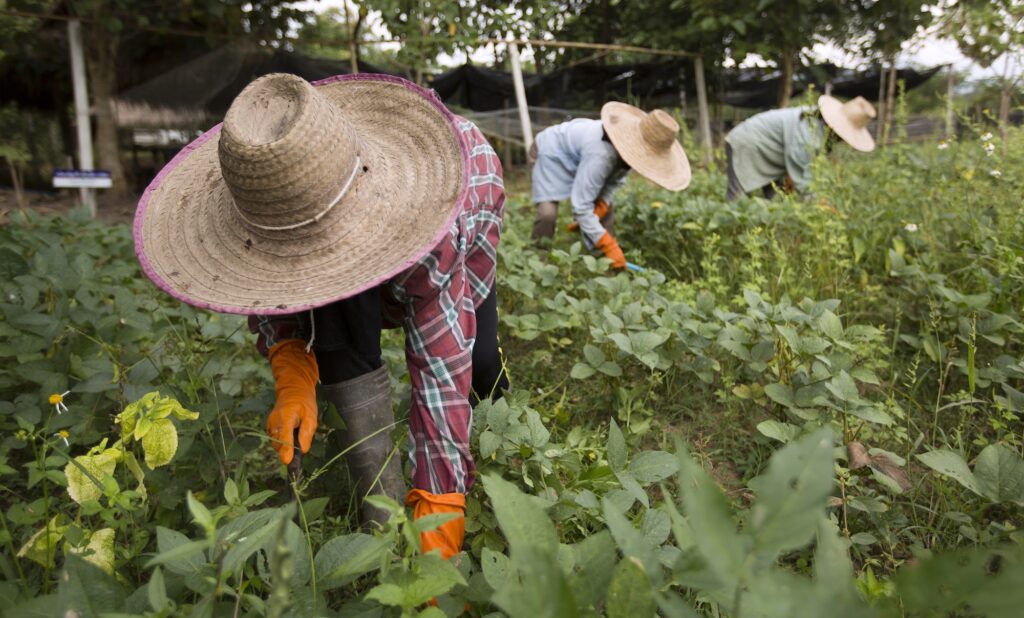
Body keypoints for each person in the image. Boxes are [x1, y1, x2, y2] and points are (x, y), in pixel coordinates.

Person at [134, 72, 507, 561]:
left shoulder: (436, 217)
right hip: (349, 218)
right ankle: (383, 524)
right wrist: (291, 365)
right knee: (336, 336)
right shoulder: (273, 190)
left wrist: (440, 508)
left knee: (476, 362)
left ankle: (501, 430)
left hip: (461, 221)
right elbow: (267, 285)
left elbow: (439, 372)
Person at [530, 103, 690, 267]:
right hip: (550, 151)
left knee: (606, 208)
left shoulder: (625, 151)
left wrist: (601, 205)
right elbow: (581, 206)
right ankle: (538, 258)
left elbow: (613, 181)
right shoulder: (601, 154)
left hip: (581, 154)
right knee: (547, 213)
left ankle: (602, 262)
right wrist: (608, 244)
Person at [724, 95, 876, 201]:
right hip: (746, 143)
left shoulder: (817, 124)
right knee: (736, 196)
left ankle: (764, 226)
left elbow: (800, 169)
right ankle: (729, 228)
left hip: (768, 149)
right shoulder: (808, 135)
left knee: (773, 199)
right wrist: (819, 204)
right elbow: (802, 178)